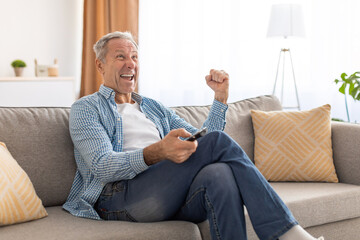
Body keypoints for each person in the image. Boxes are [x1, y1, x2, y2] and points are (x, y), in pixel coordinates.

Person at [63, 31, 324, 240]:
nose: (130, 63)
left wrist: (220, 99)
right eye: (120, 56)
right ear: (100, 64)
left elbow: (205, 142)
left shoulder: (153, 107)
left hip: (166, 193)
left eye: (134, 57)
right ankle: (288, 233)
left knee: (218, 173)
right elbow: (102, 167)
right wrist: (158, 152)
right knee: (218, 146)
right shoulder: (86, 108)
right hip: (119, 199)